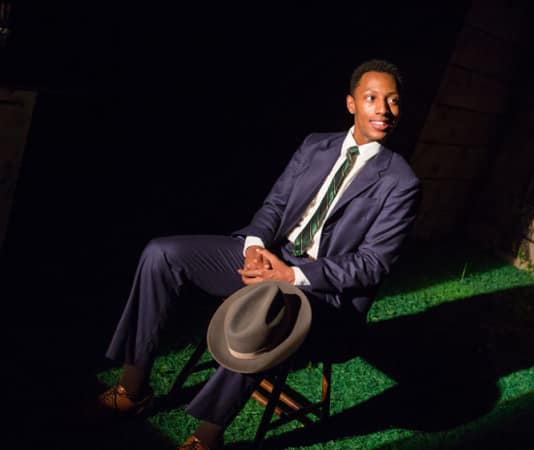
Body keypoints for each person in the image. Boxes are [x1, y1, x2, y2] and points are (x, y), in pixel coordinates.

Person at [95, 59, 420, 450]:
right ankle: (133, 388)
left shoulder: (401, 182)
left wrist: (290, 277)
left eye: (393, 101)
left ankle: (206, 437)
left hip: (322, 293)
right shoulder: (315, 144)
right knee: (161, 253)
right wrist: (254, 248)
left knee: (268, 305)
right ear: (352, 104)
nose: (383, 109)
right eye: (372, 98)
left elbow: (372, 265)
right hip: (271, 256)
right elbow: (275, 205)